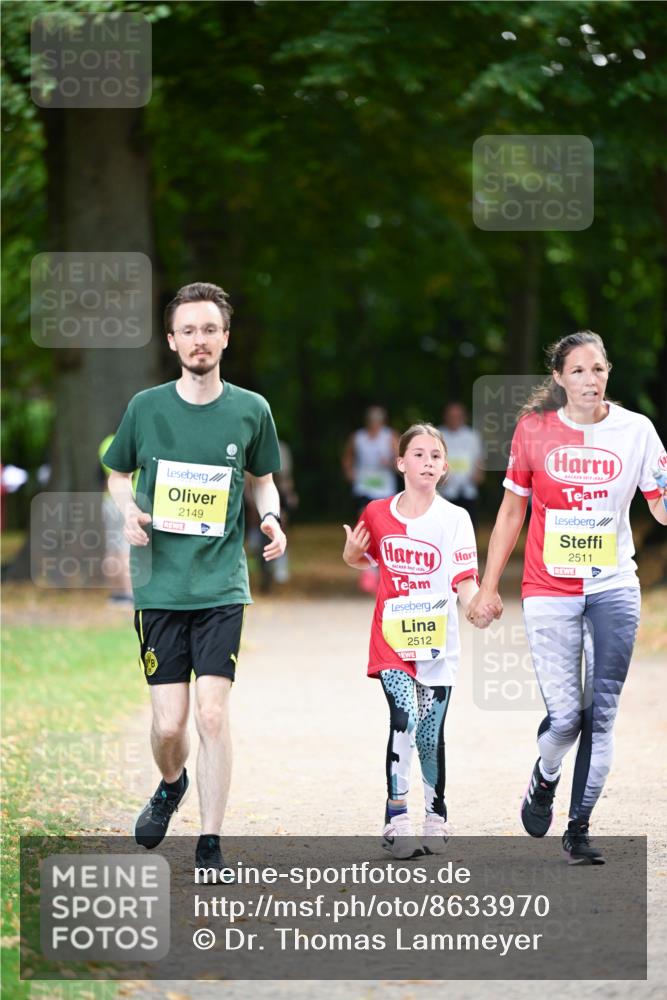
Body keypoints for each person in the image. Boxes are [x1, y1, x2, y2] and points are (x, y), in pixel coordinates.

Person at [103, 281, 286, 876]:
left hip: (220, 585)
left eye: (210, 329)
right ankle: (170, 782)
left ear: (225, 338)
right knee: (169, 724)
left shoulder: (251, 409)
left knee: (211, 714)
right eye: (189, 330)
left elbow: (262, 479)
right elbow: (115, 473)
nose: (200, 340)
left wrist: (271, 518)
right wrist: (128, 509)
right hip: (159, 585)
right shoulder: (146, 406)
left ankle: (210, 842)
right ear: (172, 339)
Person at [466, 331, 667, 865]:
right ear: (559, 378)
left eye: (598, 369)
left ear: (608, 374)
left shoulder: (637, 432)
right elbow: (512, 512)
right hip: (549, 588)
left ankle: (578, 829)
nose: (590, 380)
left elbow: (662, 508)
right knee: (565, 719)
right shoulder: (534, 431)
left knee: (600, 715)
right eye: (577, 371)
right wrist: (488, 587)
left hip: (613, 587)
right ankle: (545, 774)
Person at [342, 423, 493, 859]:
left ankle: (435, 815)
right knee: (404, 717)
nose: (428, 462)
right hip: (391, 638)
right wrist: (351, 552)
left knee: (429, 733)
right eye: (420, 454)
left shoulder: (455, 519)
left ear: (446, 467)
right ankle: (396, 817)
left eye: (436, 456)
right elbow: (357, 557)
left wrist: (475, 608)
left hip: (437, 642)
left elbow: (464, 580)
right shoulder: (376, 512)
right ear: (401, 462)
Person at [342, 406, 399, 593]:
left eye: (378, 420)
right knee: (365, 524)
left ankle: (382, 567)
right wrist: (350, 472)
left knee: (383, 528)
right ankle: (368, 569)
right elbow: (347, 456)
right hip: (364, 487)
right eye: (371, 420)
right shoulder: (358, 437)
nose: (374, 424)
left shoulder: (390, 437)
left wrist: (390, 463)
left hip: (384, 488)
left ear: (383, 421)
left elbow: (402, 463)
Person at [437, 402, 484, 528]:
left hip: (468, 491)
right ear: (445, 416)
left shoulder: (472, 436)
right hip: (445, 492)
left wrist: (478, 475)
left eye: (458, 416)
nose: (455, 419)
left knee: (469, 529)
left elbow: (479, 461)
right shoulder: (438, 435)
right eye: (451, 416)